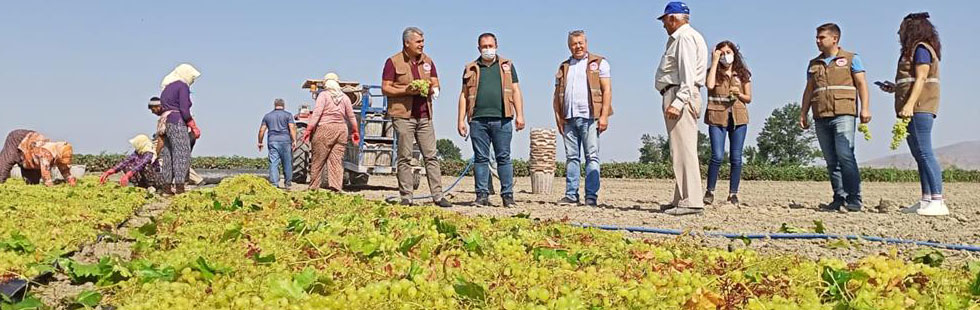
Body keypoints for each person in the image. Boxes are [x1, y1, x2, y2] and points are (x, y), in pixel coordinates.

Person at [877, 12, 946, 216]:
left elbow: (922, 78)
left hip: (920, 107)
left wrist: (909, 105)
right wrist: (894, 88)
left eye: (901, 29)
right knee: (919, 154)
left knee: (925, 152)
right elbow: (910, 80)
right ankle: (926, 200)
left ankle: (938, 200)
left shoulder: (922, 49)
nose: (899, 33)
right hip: (912, 106)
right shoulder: (912, 51)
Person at [799, 23, 872, 212]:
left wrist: (865, 108)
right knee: (831, 160)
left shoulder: (851, 59)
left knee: (845, 155)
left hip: (844, 113)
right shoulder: (814, 64)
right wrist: (803, 112)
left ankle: (854, 198)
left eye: (821, 37)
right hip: (821, 115)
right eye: (817, 37)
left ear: (835, 38)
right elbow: (809, 90)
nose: (817, 41)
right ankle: (839, 198)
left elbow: (862, 84)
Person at [381, 26, 452, 208]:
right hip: (403, 116)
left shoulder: (428, 61)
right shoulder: (393, 62)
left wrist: (431, 88)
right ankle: (407, 197)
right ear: (407, 43)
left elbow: (435, 82)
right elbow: (386, 88)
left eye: (423, 41)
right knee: (404, 156)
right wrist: (406, 90)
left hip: (425, 116)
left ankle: (438, 196)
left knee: (431, 156)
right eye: (418, 41)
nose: (422, 45)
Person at [456, 32, 526, 208]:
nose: (488, 49)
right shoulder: (470, 68)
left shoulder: (507, 66)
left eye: (490, 46)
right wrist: (461, 120)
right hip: (478, 120)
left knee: (504, 157)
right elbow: (464, 95)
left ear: (496, 46)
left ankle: (507, 196)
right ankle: (481, 195)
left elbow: (516, 91)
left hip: (503, 119)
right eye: (484, 46)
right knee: (481, 158)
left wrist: (520, 115)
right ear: (479, 48)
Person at [654, 1, 708, 216]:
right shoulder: (687, 37)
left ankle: (692, 200)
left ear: (673, 18)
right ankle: (681, 197)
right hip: (678, 92)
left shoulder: (684, 38)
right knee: (679, 148)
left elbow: (688, 73)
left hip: (679, 93)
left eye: (665, 20)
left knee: (684, 149)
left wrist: (679, 101)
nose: (664, 25)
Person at [552, 30, 611, 207]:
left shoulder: (599, 63)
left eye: (580, 43)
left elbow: (606, 90)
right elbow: (556, 96)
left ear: (586, 43)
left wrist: (604, 116)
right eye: (573, 44)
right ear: (569, 46)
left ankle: (591, 196)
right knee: (572, 157)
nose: (577, 46)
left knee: (592, 156)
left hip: (590, 117)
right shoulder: (564, 67)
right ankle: (571, 195)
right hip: (569, 118)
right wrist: (558, 118)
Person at [703, 41, 752, 205]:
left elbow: (749, 98)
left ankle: (733, 193)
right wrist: (714, 61)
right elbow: (709, 85)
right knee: (717, 156)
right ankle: (710, 191)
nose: (725, 55)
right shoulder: (713, 72)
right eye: (721, 53)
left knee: (736, 157)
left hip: (738, 118)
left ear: (735, 53)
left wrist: (738, 94)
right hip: (716, 117)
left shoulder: (743, 74)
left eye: (728, 52)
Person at [303, 78, 360, 191]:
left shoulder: (323, 95)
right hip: (341, 130)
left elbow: (317, 113)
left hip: (325, 128)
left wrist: (309, 129)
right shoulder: (345, 97)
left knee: (318, 160)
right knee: (336, 160)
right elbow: (351, 116)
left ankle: (314, 187)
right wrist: (355, 131)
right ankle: (336, 187)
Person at [159, 63, 202, 195]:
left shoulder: (166, 88)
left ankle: (166, 186)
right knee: (182, 152)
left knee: (168, 153)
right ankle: (180, 186)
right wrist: (193, 125)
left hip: (166, 122)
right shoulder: (181, 86)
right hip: (177, 120)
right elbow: (184, 108)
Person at [0, 130, 75, 186]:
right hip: (17, 139)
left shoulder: (59, 152)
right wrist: (51, 189)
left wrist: (71, 180)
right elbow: (46, 176)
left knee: (33, 182)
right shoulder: (46, 153)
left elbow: (64, 169)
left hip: (31, 157)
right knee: (4, 167)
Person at [258, 99, 297, 189]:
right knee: (287, 162)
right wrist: (294, 140)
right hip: (285, 141)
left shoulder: (268, 116)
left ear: (274, 105)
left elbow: (262, 130)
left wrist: (260, 142)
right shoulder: (288, 115)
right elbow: (292, 128)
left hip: (272, 141)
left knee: (273, 163)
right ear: (284, 105)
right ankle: (287, 183)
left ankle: (274, 184)